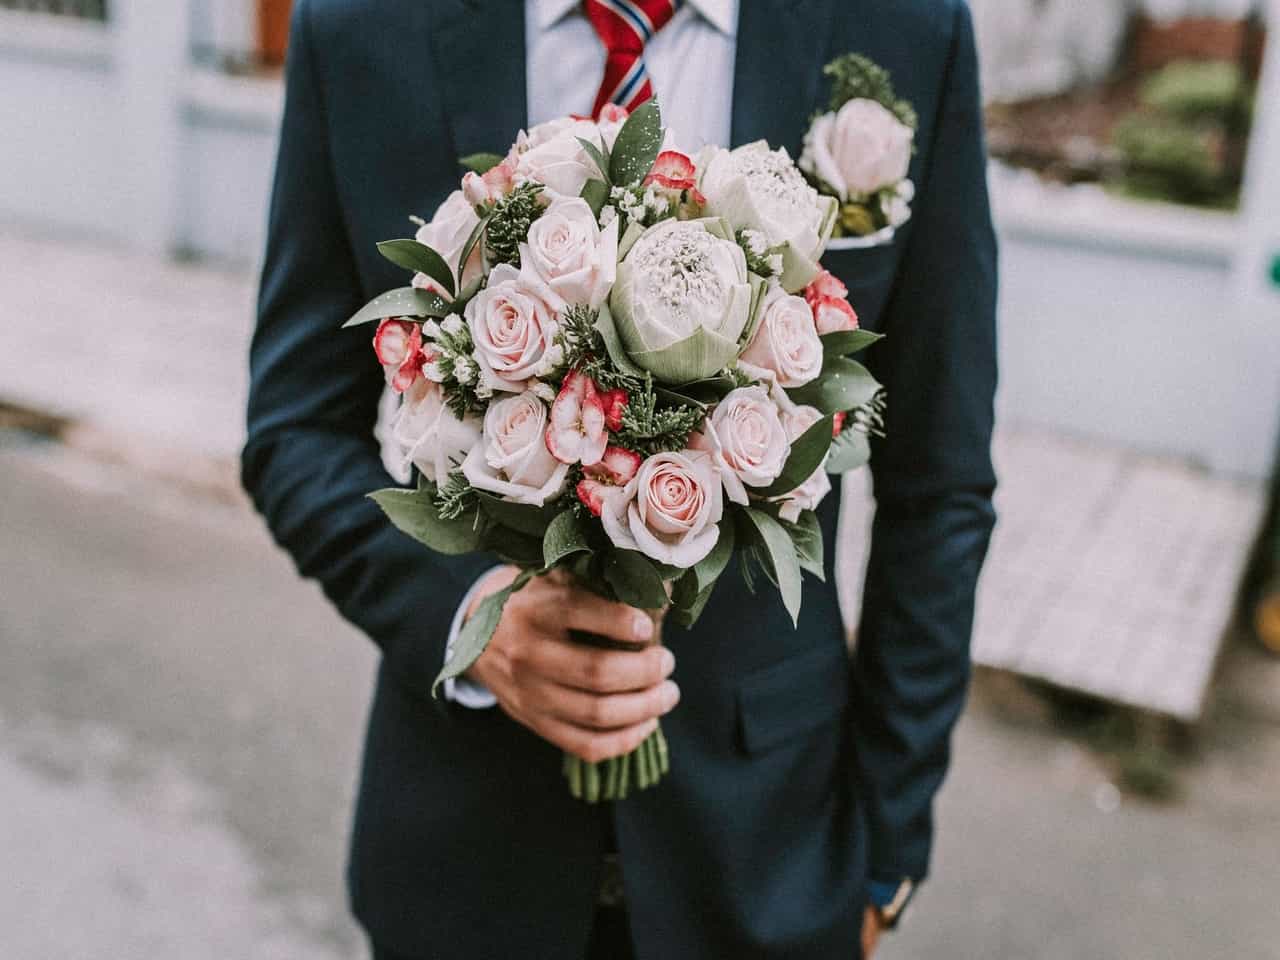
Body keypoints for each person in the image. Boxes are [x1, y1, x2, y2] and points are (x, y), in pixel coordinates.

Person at [242, 1, 998, 957]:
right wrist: (469, 617)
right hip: (461, 861)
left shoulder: (904, 27)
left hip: (770, 860)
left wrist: (886, 859)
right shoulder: (362, 25)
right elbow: (292, 430)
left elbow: (941, 484)